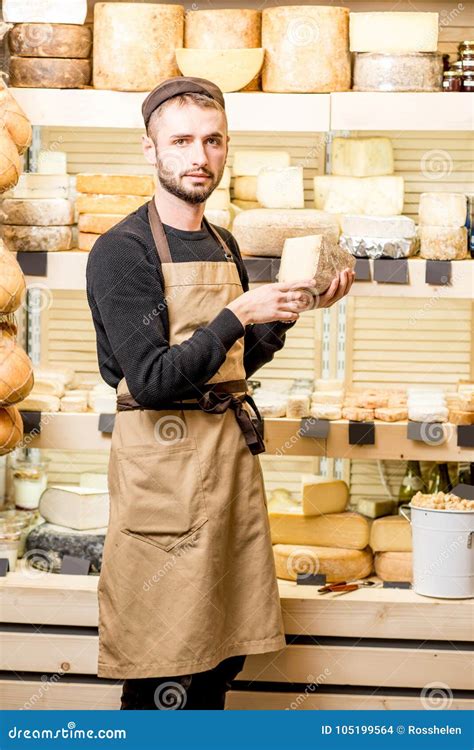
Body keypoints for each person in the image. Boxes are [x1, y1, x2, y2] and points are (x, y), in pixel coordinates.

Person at [86, 76, 354, 710]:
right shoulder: (121, 251)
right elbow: (151, 381)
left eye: (212, 141)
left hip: (227, 465)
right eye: (180, 141)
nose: (197, 156)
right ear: (151, 151)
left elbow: (233, 365)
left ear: (225, 147)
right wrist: (238, 311)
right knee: (165, 662)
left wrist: (283, 316)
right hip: (163, 476)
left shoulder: (223, 242)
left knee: (220, 654)